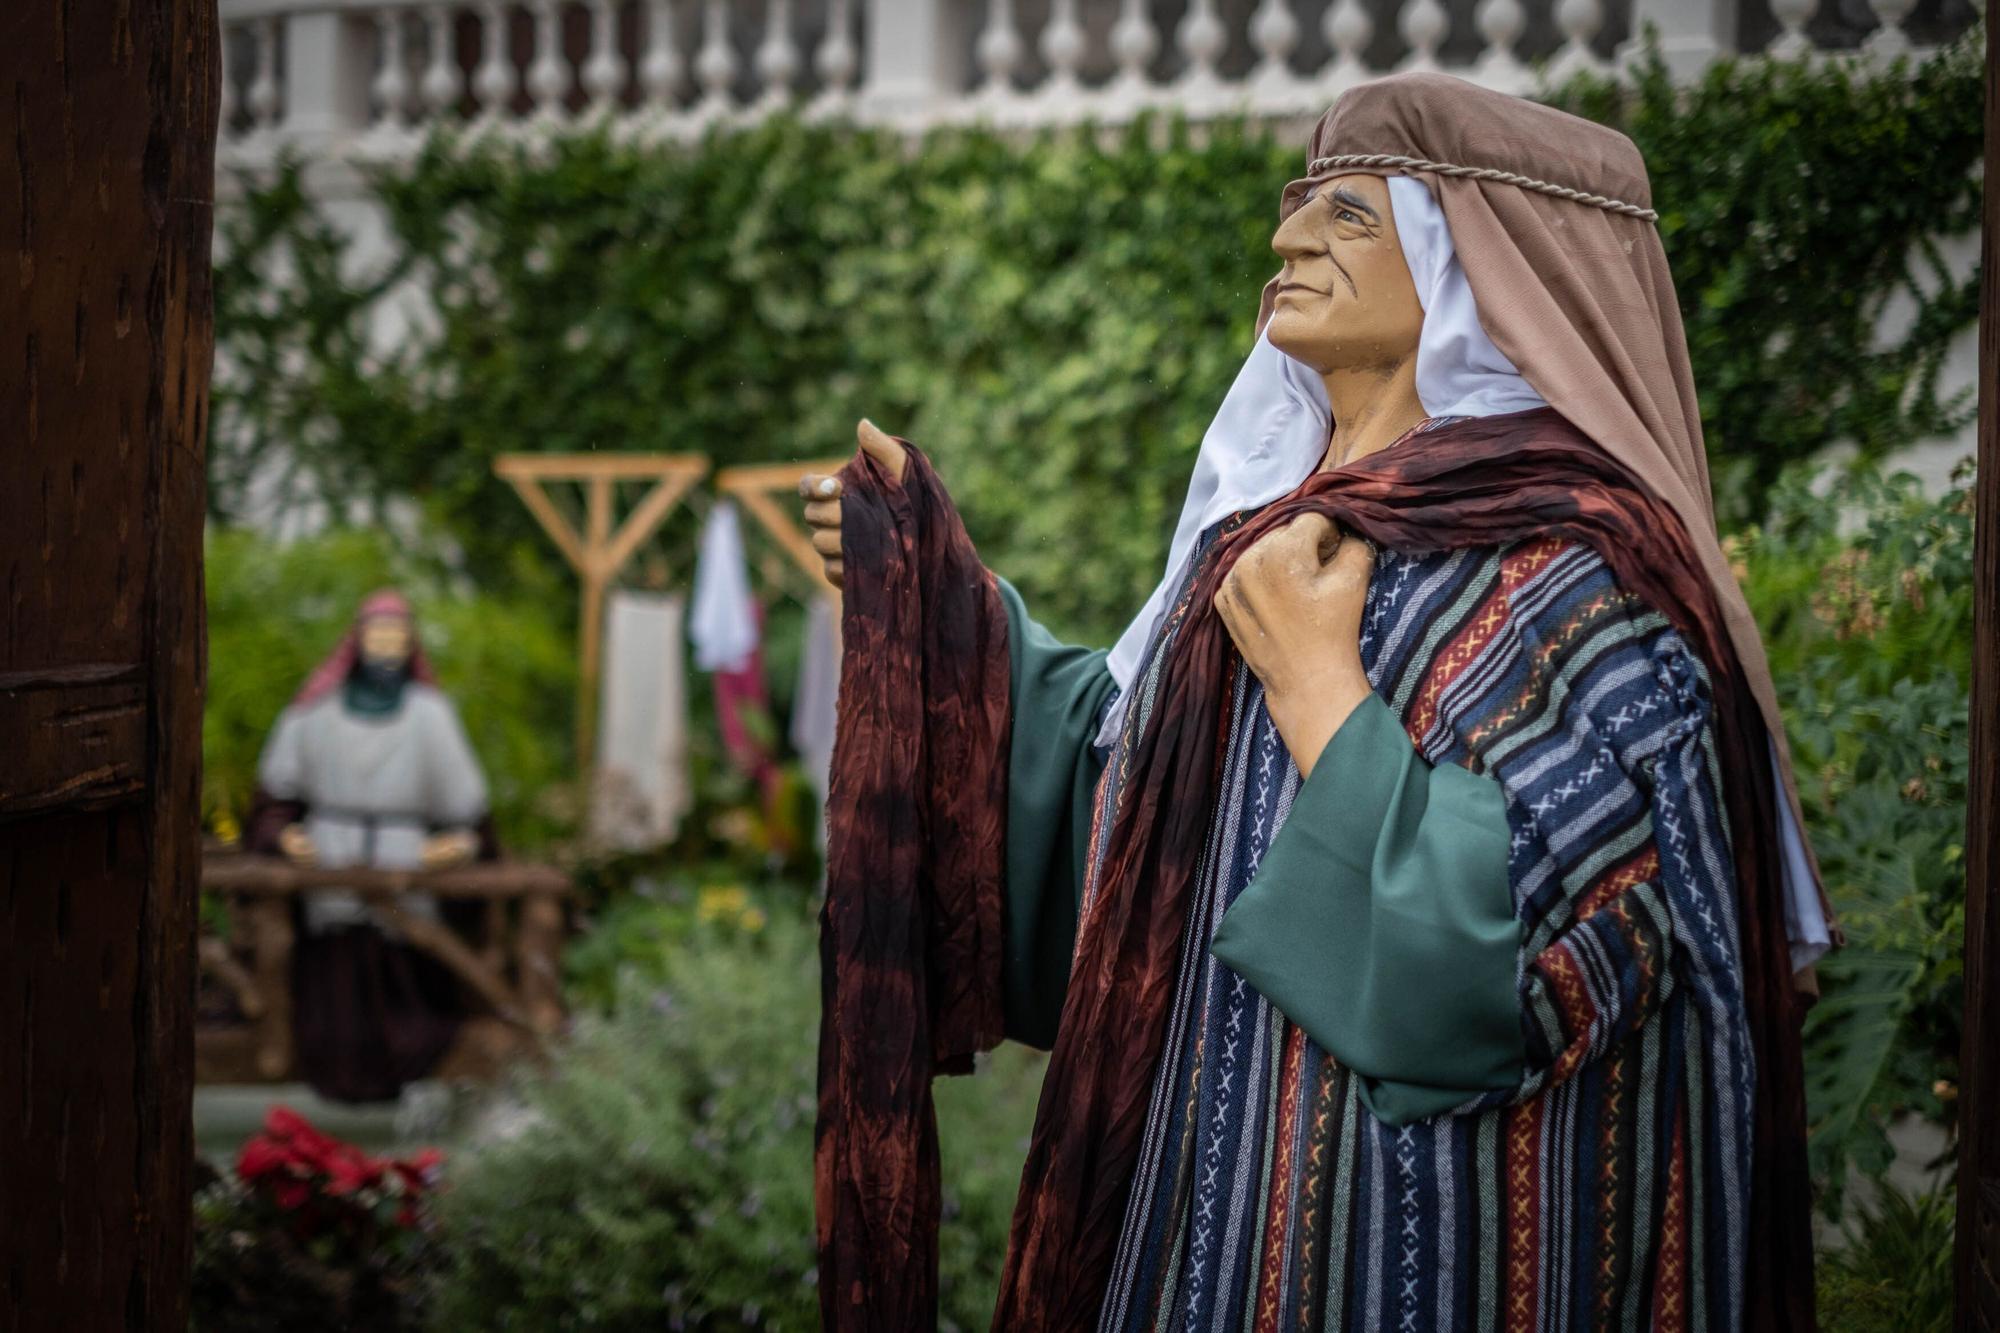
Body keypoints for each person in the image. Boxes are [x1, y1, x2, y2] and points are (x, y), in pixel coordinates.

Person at [805, 74, 1832, 1332]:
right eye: (1298, 207)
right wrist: (934, 608)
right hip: (1210, 1234)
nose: (1286, 239)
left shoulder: (1573, 575)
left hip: (1445, 1256)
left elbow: (1509, 981)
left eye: (1346, 214)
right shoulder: (1275, 538)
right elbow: (1127, 827)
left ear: (1480, 265)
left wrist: (1314, 685)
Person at [247, 589, 493, 1104]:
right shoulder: (317, 711)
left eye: (396, 637)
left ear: (409, 645)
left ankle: (403, 1068)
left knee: (404, 963)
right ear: (357, 642)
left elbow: (466, 804)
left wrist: (455, 847)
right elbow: (276, 795)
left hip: (405, 853)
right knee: (336, 974)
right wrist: (286, 837)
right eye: (377, 635)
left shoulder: (430, 714)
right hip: (331, 851)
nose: (385, 646)